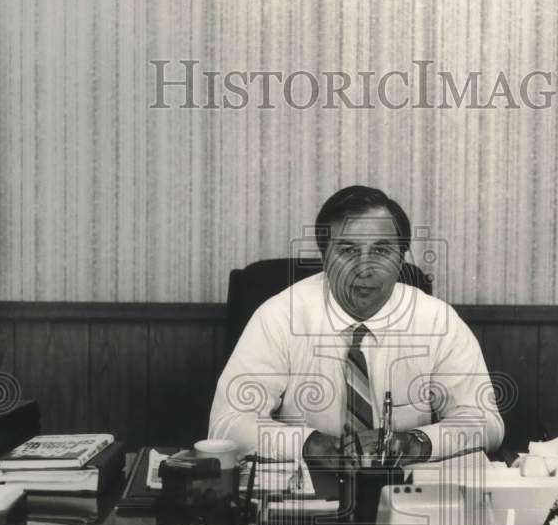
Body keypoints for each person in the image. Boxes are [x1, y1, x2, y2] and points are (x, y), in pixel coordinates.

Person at [208, 185, 504, 467]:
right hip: (307, 490)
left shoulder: (438, 321)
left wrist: (418, 443)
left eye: (381, 251)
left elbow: (486, 422)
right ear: (325, 258)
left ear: (401, 259)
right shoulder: (279, 316)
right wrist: (309, 444)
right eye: (348, 251)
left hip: (403, 488)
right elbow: (226, 425)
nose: (364, 268)